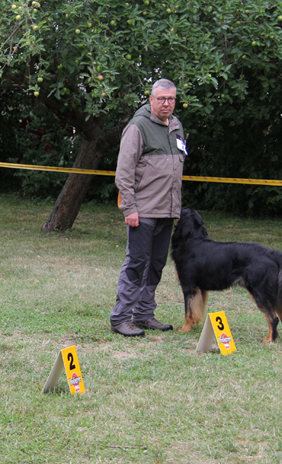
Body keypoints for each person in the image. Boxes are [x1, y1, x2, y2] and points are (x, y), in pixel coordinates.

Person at [110, 79, 187, 337]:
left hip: (166, 211)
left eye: (171, 99)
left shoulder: (176, 126)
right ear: (151, 99)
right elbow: (124, 172)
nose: (167, 103)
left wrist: (175, 209)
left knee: (156, 264)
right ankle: (121, 318)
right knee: (137, 263)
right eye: (162, 99)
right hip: (142, 211)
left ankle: (143, 315)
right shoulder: (137, 127)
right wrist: (129, 208)